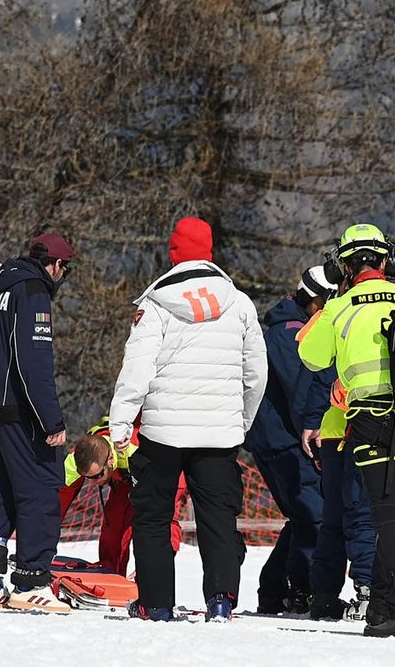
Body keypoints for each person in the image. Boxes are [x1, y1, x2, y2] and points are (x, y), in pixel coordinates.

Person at [109, 216, 267, 622]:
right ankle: (221, 601)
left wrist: (121, 422)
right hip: (219, 432)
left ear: (173, 252)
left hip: (163, 433)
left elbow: (137, 368)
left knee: (153, 517)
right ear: (210, 251)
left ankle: (156, 604)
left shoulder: (156, 304)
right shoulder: (239, 303)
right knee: (219, 518)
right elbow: (256, 372)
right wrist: (242, 420)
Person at [298, 223, 395, 639]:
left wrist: (328, 310)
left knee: (384, 515)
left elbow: (311, 357)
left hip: (371, 416)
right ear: (387, 261)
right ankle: (383, 606)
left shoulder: (339, 307)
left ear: (343, 267)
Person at [0, 233, 75, 613]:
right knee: (41, 491)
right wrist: (51, 421)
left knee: (0, 491)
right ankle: (31, 581)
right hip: (20, 409)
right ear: (56, 264)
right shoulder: (33, 291)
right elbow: (34, 362)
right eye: (66, 269)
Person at [246, 264, 334, 614]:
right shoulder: (289, 334)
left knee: (303, 517)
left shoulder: (294, 328)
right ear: (315, 301)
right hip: (283, 441)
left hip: (282, 438)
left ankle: (273, 588)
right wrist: (314, 439)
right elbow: (301, 395)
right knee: (313, 516)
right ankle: (302, 590)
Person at [58, 418, 185, 574]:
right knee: (114, 518)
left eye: (97, 476)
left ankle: (152, 573)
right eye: (87, 477)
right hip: (123, 478)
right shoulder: (79, 457)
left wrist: (156, 562)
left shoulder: (138, 453)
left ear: (110, 459)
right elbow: (57, 502)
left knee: (152, 525)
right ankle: (110, 571)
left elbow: (165, 515)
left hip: (162, 474)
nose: (92, 483)